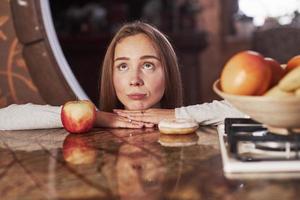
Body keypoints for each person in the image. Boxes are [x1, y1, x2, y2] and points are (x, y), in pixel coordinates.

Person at [0, 21, 244, 131]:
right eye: (123, 66)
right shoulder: (97, 124)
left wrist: (176, 115)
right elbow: (5, 119)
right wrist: (94, 118)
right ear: (112, 75)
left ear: (168, 73)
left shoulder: (189, 122)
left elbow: (251, 112)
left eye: (148, 65)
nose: (134, 79)